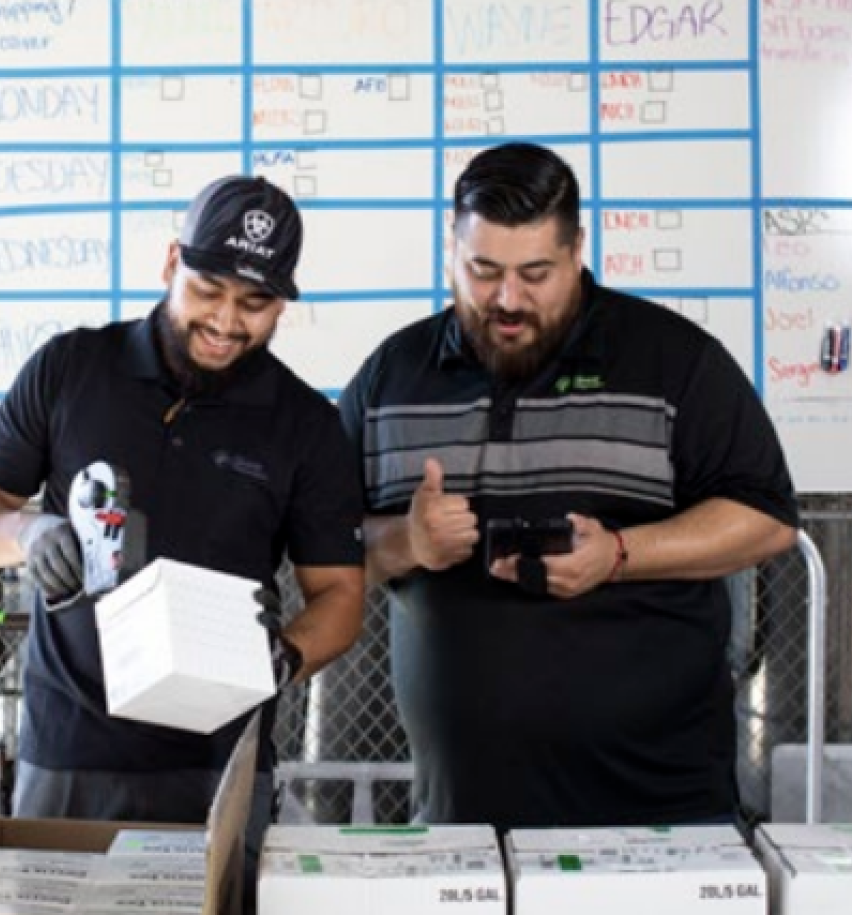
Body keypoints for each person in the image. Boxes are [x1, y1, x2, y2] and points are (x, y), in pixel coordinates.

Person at [338, 142, 798, 830]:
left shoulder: (674, 361)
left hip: (659, 818)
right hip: (464, 822)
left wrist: (617, 554)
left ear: (578, 249)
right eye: (483, 271)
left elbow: (766, 518)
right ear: (450, 251)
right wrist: (406, 540)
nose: (507, 299)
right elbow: (328, 550)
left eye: (535, 273)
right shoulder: (390, 378)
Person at [0, 175, 365, 869]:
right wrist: (26, 534)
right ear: (172, 263)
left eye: (255, 303)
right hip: (71, 748)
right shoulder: (71, 369)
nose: (228, 322)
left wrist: (284, 658)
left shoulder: (307, 426)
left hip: (220, 758)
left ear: (283, 304)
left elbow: (341, 598)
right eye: (208, 290)